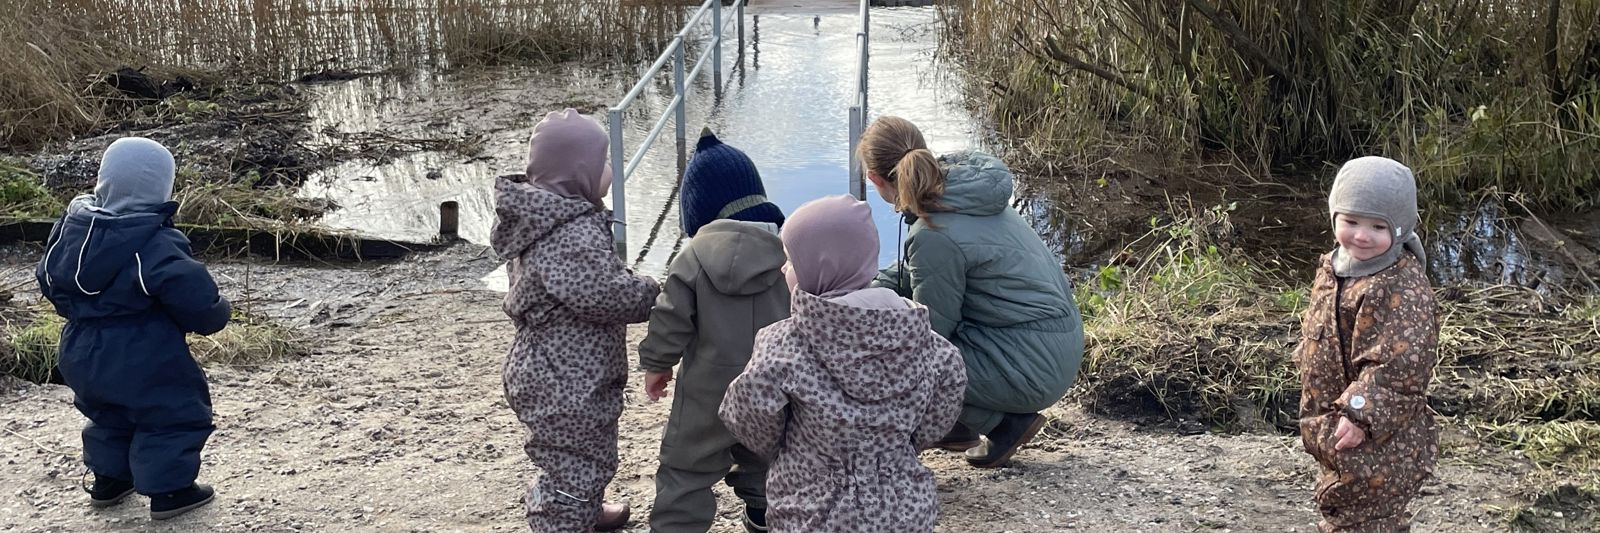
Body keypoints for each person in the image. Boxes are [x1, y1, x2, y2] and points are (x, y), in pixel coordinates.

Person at [719, 195, 966, 532]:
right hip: (903, 505)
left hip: (811, 506)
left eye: (790, 259)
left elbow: (747, 413)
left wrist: (781, 447)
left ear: (818, 264)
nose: (782, 268)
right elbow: (947, 396)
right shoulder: (926, 342)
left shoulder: (785, 343)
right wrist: (905, 444)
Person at [857, 115, 1084, 467]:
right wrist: (867, 286)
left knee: (898, 354)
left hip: (1034, 364)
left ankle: (1003, 425)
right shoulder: (960, 192)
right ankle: (961, 426)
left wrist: (855, 317)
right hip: (1056, 343)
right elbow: (922, 271)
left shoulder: (933, 233)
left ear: (874, 180)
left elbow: (931, 336)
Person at [37, 137, 231, 520]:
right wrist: (216, 313)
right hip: (143, 349)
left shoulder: (73, 228)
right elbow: (193, 296)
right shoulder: (152, 242)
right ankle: (170, 492)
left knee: (108, 413)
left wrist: (81, 314)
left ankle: (109, 479)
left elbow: (47, 278)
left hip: (79, 347)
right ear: (160, 187)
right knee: (171, 413)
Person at [490, 109, 660, 532]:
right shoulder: (570, 233)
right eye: (603, 162)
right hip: (565, 379)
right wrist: (654, 290)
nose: (609, 169)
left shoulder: (548, 218)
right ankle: (560, 520)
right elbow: (606, 295)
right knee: (576, 460)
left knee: (583, 453)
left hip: (558, 366)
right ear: (577, 170)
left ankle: (583, 508)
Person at [638, 129, 788, 533]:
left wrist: (657, 364)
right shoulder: (786, 254)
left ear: (698, 215)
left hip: (707, 392)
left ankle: (677, 526)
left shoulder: (692, 260)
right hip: (770, 388)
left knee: (685, 469)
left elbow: (669, 316)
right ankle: (763, 514)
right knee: (767, 456)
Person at [1295, 156, 1439, 532]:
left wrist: (1361, 412)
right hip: (1335, 423)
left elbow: (1399, 366)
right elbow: (1323, 327)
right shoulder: (1336, 266)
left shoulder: (1400, 286)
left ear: (1401, 229)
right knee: (1344, 503)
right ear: (1334, 217)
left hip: (1380, 435)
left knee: (1366, 516)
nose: (1361, 235)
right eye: (1351, 221)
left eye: (1378, 226)